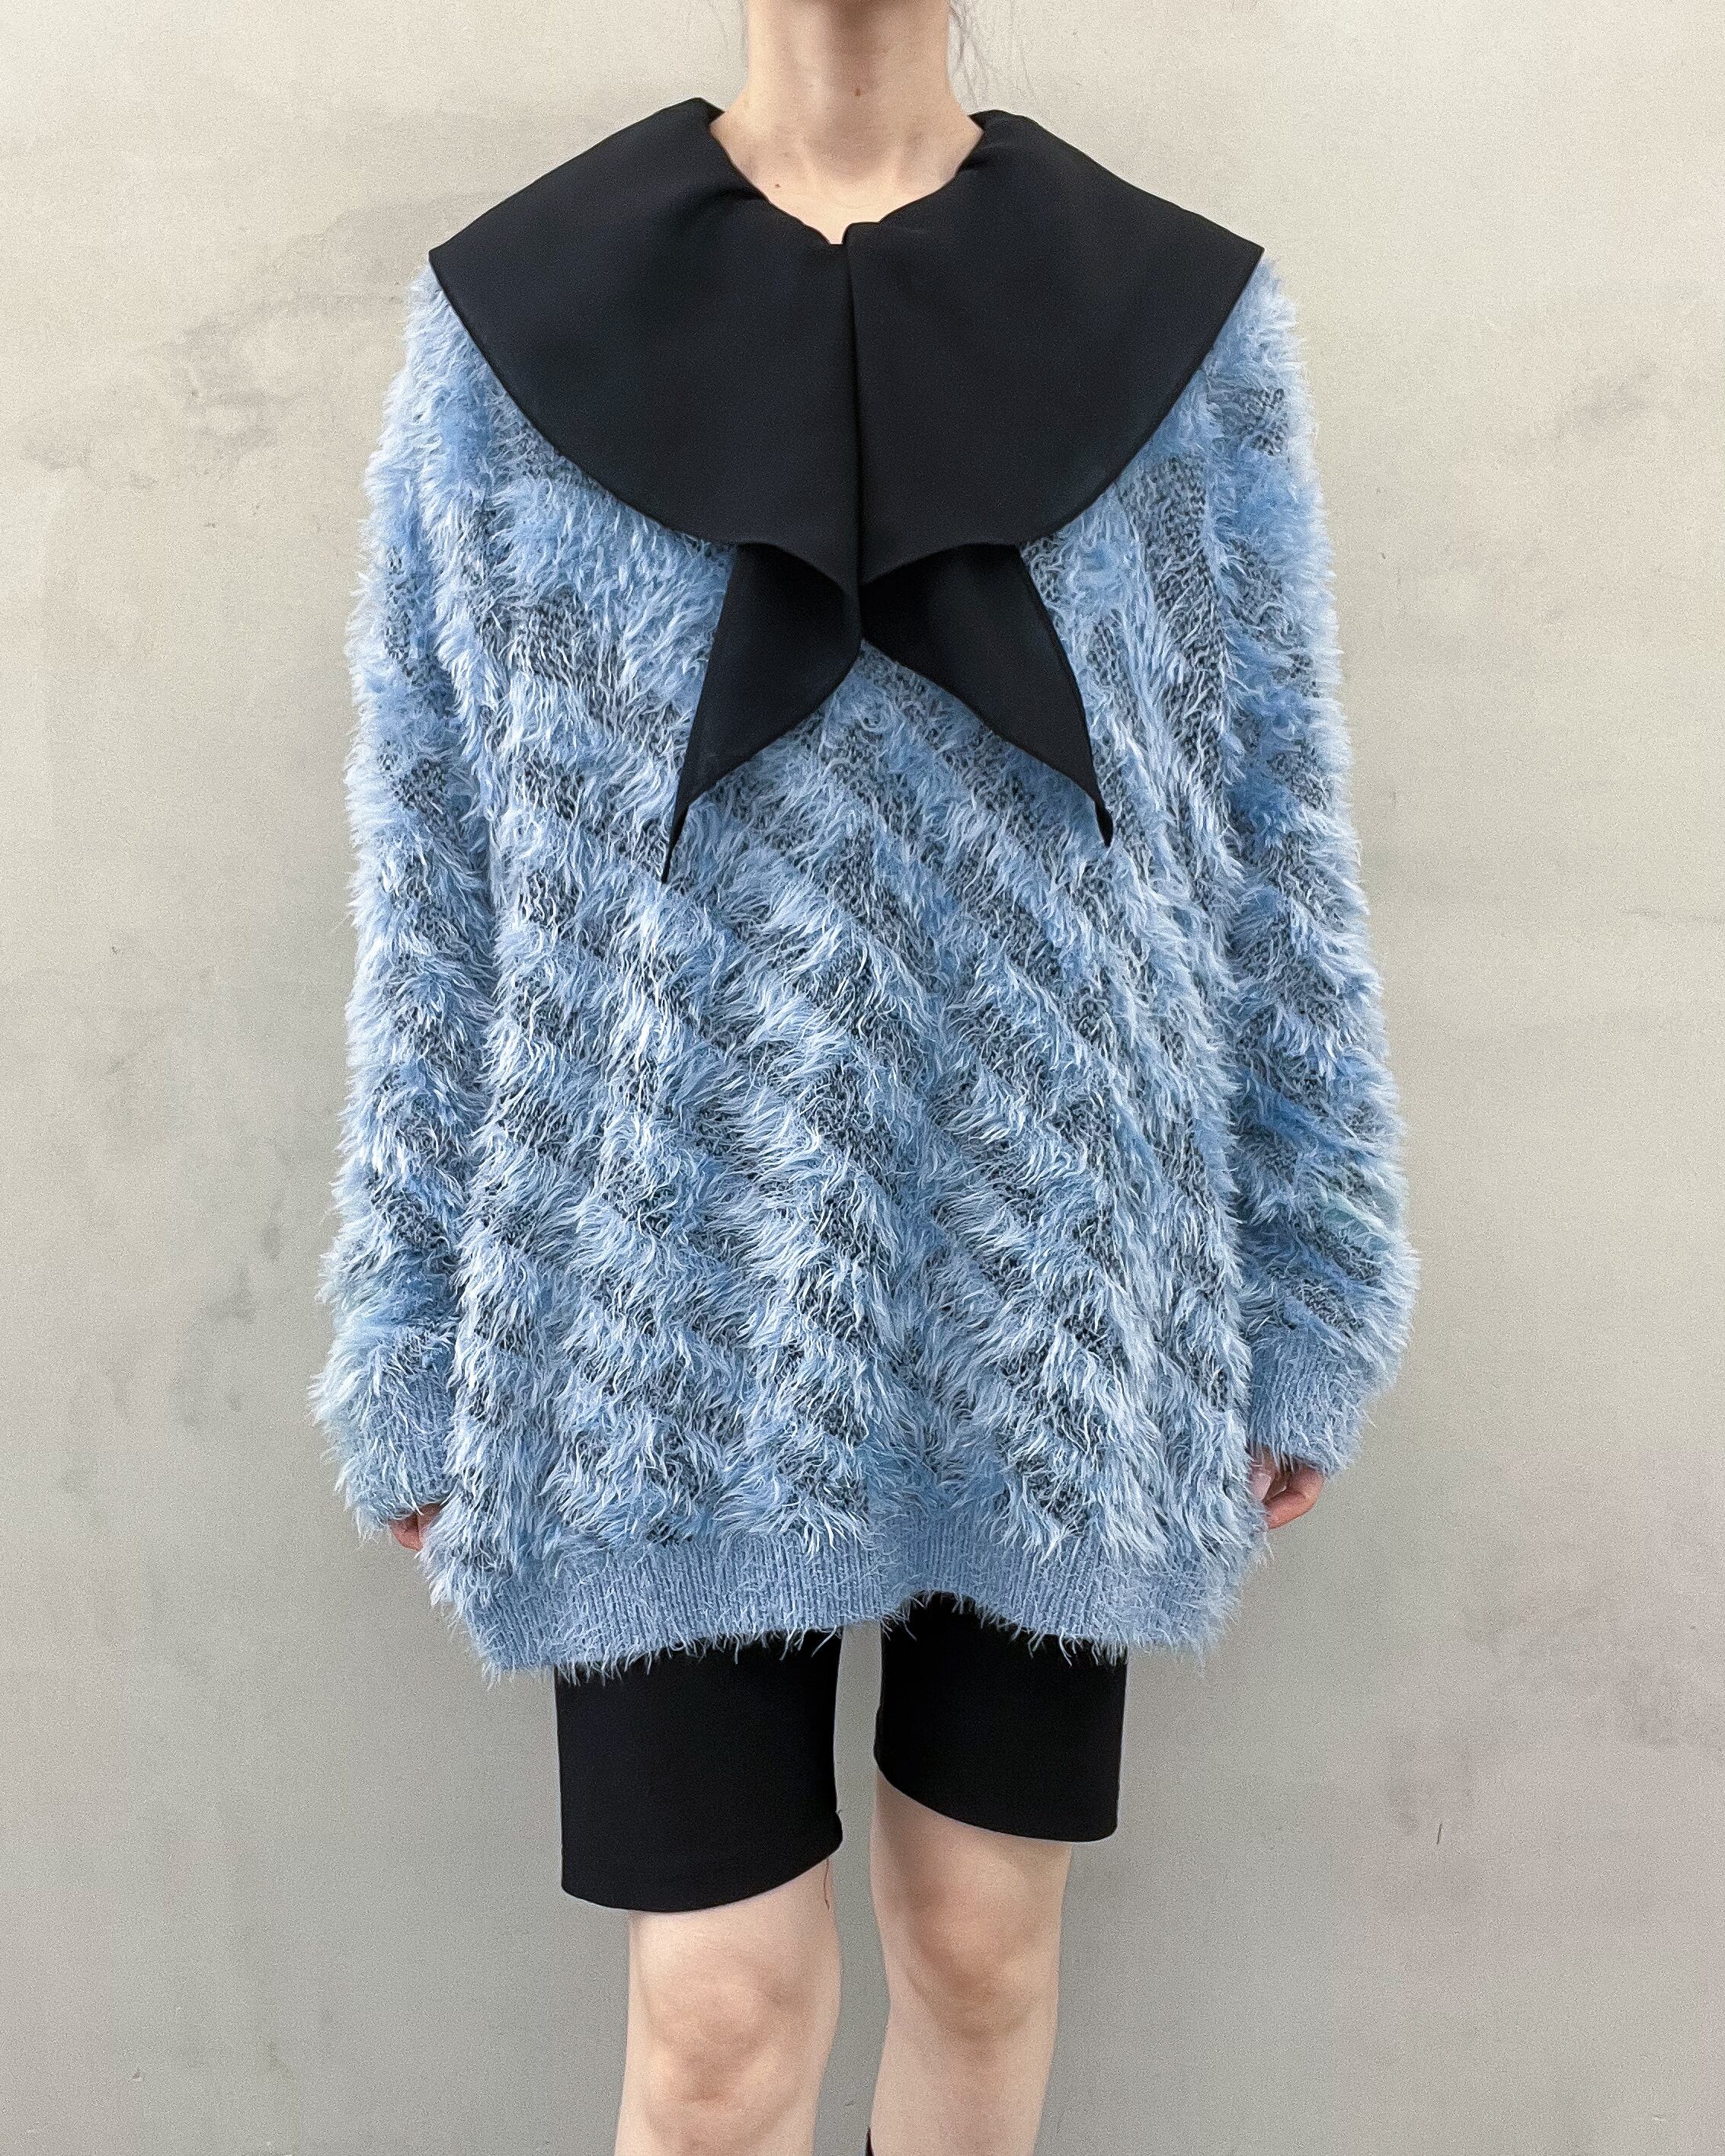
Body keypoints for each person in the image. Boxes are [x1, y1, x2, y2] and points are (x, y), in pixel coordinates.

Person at [309, 5, 1416, 2151]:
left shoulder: (1171, 320)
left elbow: (1270, 822)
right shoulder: (517, 318)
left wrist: (1306, 1280)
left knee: (982, 1949)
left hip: (1056, 1266)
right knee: (718, 2023)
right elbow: (439, 870)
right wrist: (417, 1331)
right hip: (655, 1284)